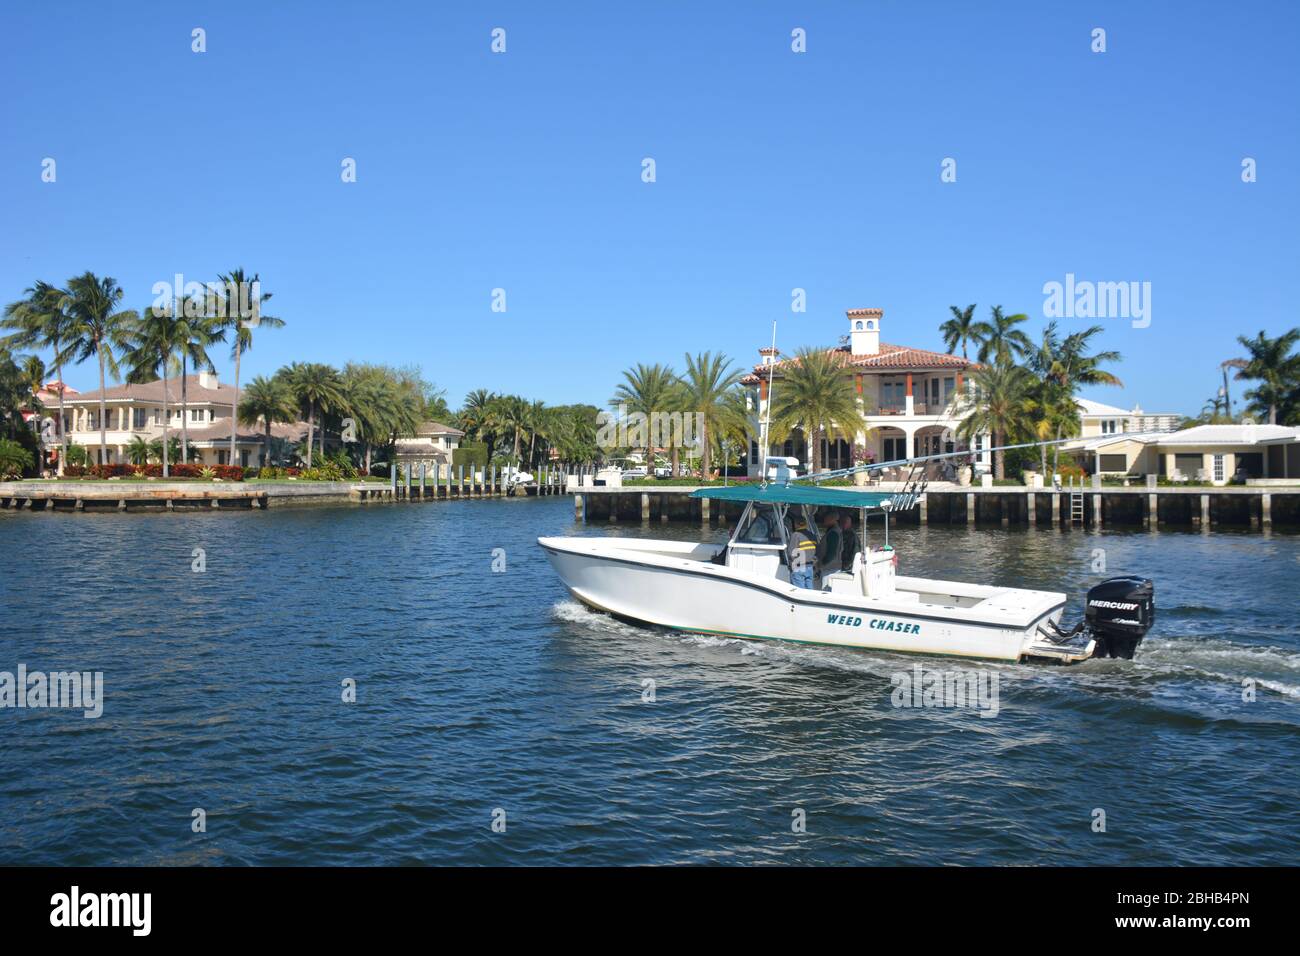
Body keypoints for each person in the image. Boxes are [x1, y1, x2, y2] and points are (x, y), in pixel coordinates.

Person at [786, 516, 817, 589]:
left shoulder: (796, 535)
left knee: (799, 592)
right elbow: (816, 551)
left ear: (796, 524)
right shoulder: (812, 535)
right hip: (810, 567)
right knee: (809, 592)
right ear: (805, 524)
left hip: (799, 566)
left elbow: (791, 553)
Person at [818, 510, 843, 578]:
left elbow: (831, 553)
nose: (824, 521)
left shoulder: (833, 534)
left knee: (826, 587)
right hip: (834, 567)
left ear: (832, 519)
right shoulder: (837, 531)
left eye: (826, 519)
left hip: (830, 569)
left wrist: (821, 564)